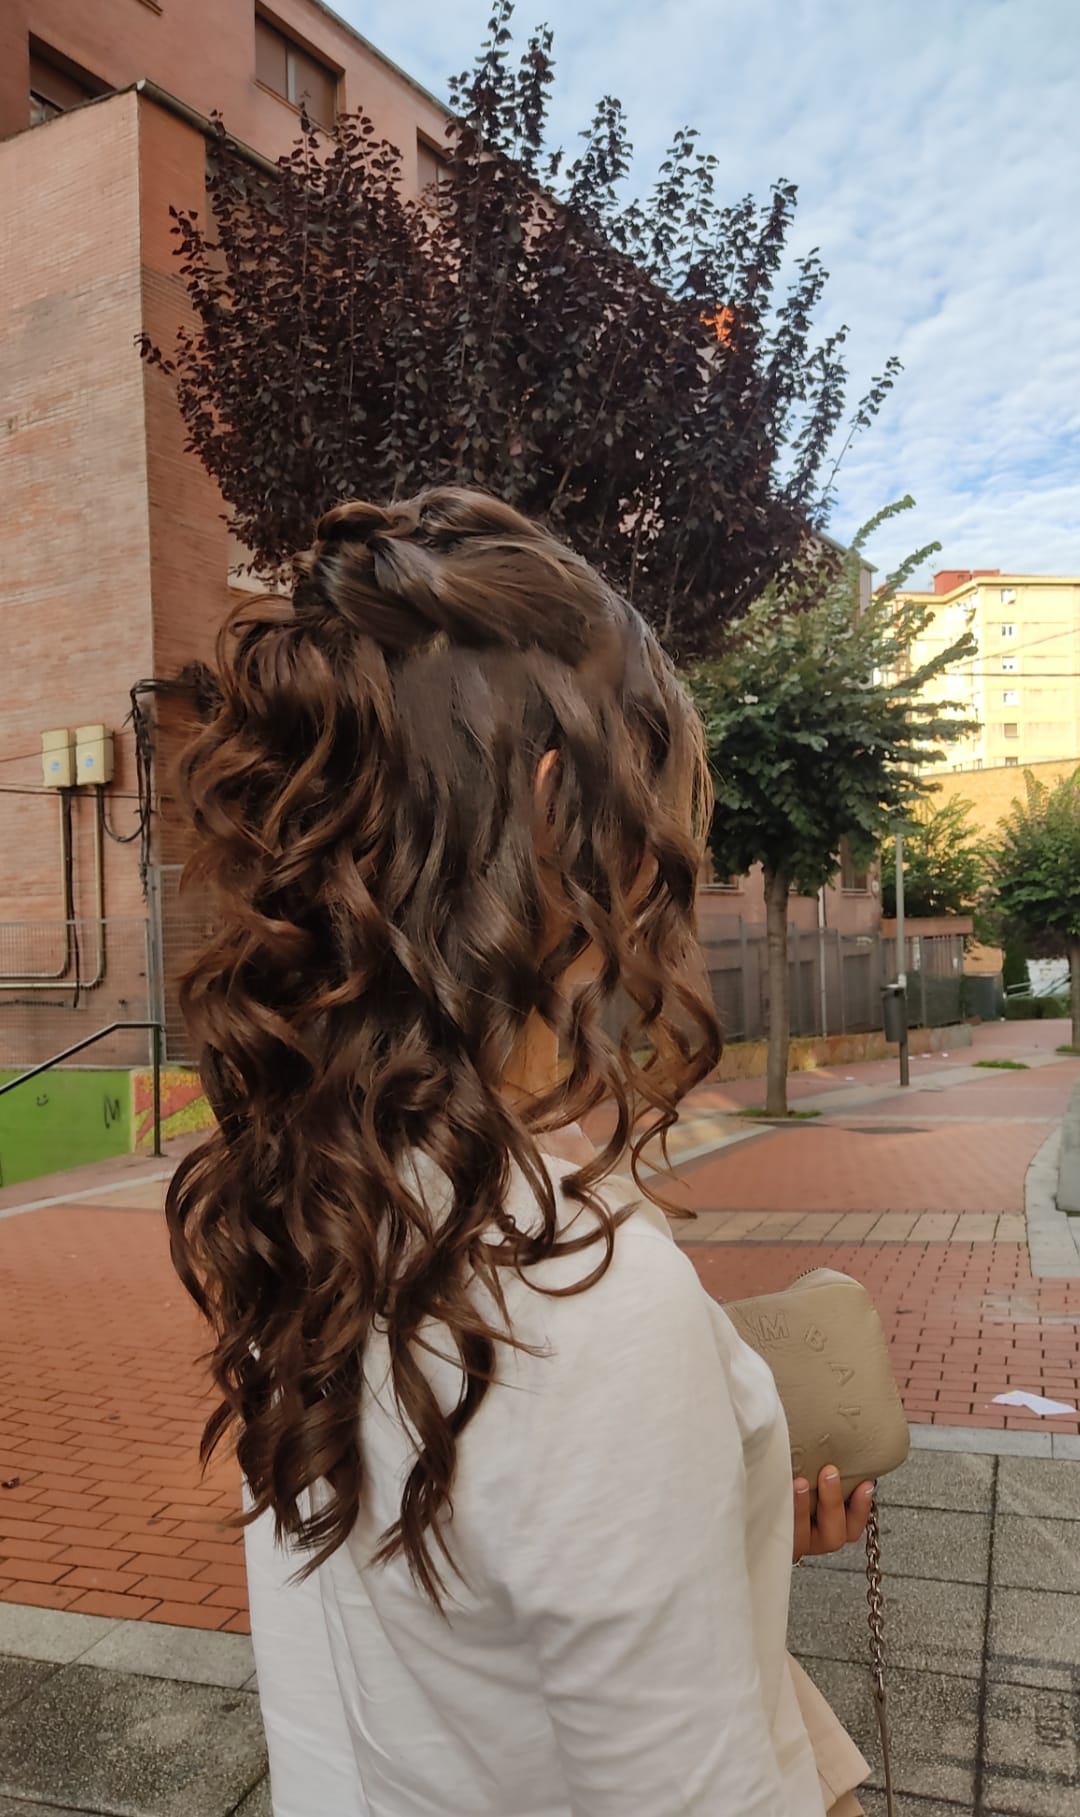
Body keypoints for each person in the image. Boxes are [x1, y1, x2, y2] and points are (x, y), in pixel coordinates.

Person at [167, 488, 872, 1816]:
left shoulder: (313, 1188)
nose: (672, 867)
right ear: (559, 821)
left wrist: (715, 1517)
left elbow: (449, 1609)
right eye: (666, 813)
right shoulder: (587, 1303)